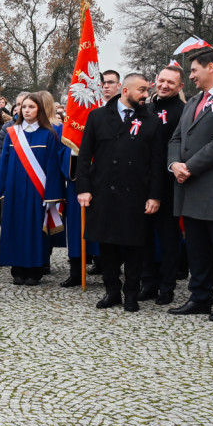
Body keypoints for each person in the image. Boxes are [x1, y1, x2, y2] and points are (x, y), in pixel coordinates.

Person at [76, 74, 163, 310]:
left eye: (147, 90)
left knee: (135, 246)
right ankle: (112, 291)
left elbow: (157, 163)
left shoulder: (152, 121)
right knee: (108, 246)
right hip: (104, 192)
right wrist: (83, 188)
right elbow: (84, 157)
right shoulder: (98, 117)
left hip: (136, 194)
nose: (146, 95)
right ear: (125, 90)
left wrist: (155, 195)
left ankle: (131, 293)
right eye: (142, 90)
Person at [166, 48, 213, 321]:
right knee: (197, 249)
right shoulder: (194, 101)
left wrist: (190, 167)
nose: (192, 75)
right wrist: (175, 165)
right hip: (189, 188)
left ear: (211, 67)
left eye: (195, 69)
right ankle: (199, 296)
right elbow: (175, 139)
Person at [0, 93, 65, 285]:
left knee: (35, 229)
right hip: (15, 190)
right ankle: (17, 268)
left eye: (31, 107)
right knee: (15, 227)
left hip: (37, 191)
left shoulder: (49, 134)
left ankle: (35, 269)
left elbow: (53, 166)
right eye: (24, 107)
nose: (27, 110)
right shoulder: (13, 133)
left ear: (39, 109)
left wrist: (52, 194)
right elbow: (4, 160)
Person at [139, 65, 187, 305]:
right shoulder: (144, 109)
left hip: (170, 185)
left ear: (180, 87)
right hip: (143, 183)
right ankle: (148, 282)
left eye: (171, 82)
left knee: (168, 238)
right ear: (155, 82)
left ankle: (167, 287)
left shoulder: (184, 111)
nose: (165, 85)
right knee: (144, 236)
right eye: (162, 80)